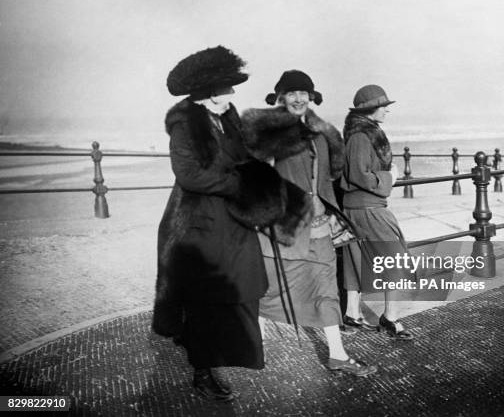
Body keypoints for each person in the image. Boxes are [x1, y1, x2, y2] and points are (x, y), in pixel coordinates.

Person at [152, 46, 293, 401]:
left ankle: (234, 351)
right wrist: (237, 185)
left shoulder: (227, 117)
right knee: (204, 300)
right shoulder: (185, 123)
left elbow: (243, 158)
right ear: (209, 91)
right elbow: (189, 175)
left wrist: (260, 176)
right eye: (226, 88)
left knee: (242, 289)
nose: (231, 94)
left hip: (233, 222)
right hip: (197, 224)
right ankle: (203, 370)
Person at [240, 70, 377, 377]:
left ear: (312, 97)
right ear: (281, 98)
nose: (299, 98)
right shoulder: (269, 135)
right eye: (291, 93)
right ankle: (254, 342)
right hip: (284, 228)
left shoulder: (321, 134)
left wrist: (332, 210)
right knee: (272, 288)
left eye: (304, 93)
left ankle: (337, 354)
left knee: (327, 288)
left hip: (321, 224)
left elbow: (331, 176)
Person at [340, 84, 415, 340]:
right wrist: (390, 176)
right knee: (395, 258)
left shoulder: (359, 132)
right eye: (384, 107)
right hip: (367, 208)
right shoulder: (362, 136)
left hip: (355, 209)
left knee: (355, 260)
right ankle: (389, 319)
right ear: (371, 109)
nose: (386, 111)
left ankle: (352, 315)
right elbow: (359, 175)